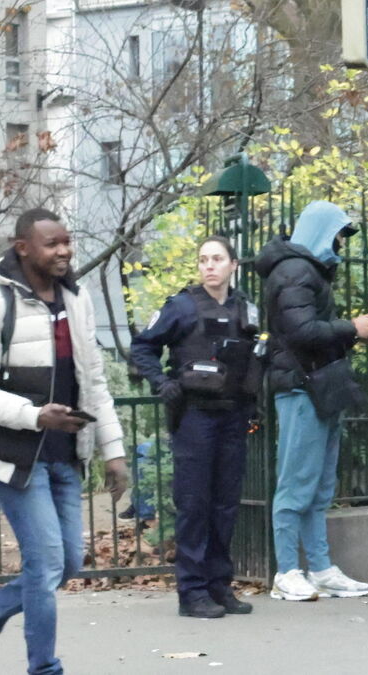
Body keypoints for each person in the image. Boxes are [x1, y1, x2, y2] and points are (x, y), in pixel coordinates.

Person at [0, 208, 130, 675]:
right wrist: (34, 416)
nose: (64, 250)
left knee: (65, 565)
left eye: (67, 241)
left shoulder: (77, 299)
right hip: (9, 457)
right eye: (52, 243)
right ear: (22, 247)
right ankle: (44, 668)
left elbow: (94, 382)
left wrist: (115, 450)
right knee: (45, 564)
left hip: (64, 455)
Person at [130, 235, 263, 619]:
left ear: (232, 265)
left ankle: (220, 586)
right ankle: (192, 592)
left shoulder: (246, 309)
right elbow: (143, 347)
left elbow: (255, 357)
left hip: (233, 415)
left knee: (225, 504)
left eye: (217, 259)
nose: (209, 265)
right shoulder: (182, 307)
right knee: (194, 504)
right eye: (203, 259)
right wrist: (161, 383)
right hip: (194, 416)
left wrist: (252, 399)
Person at [255, 200, 368, 601]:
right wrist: (353, 328)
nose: (341, 243)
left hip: (314, 388)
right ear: (323, 232)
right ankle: (287, 570)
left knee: (319, 486)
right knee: (297, 484)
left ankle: (320, 568)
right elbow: (302, 330)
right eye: (339, 235)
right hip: (301, 389)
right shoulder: (294, 271)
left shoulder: (305, 271)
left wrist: (348, 329)